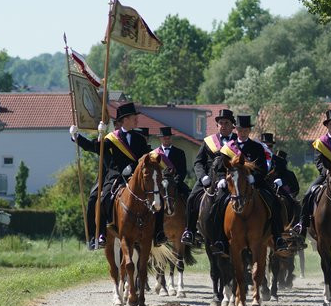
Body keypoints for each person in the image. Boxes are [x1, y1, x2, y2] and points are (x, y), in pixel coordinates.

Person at [69, 102, 165, 249]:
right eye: (134, 117)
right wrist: (76, 137)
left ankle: (158, 233)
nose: (136, 120)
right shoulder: (111, 138)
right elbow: (94, 147)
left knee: (158, 197)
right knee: (101, 199)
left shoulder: (139, 138)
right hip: (116, 177)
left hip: (136, 176)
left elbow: (145, 158)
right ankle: (100, 234)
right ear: (125, 119)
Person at [205, 115, 289, 255]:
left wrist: (253, 178)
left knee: (274, 201)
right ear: (236, 130)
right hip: (233, 185)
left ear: (249, 131)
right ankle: (220, 240)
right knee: (218, 204)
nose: (243, 132)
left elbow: (263, 168)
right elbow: (220, 168)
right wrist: (221, 179)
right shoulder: (228, 147)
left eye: (246, 130)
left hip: (255, 184)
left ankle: (278, 237)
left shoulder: (256, 147)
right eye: (240, 129)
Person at [181, 109, 236, 246]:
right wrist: (203, 177)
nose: (223, 125)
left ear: (232, 126)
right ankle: (190, 231)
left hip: (231, 178)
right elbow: (198, 162)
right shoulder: (209, 141)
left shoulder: (236, 142)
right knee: (191, 198)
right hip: (209, 178)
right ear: (217, 125)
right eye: (220, 123)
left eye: (226, 123)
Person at [155, 125, 189, 195]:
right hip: (158, 184)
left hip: (175, 183)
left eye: (169, 138)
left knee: (189, 195)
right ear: (160, 138)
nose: (167, 140)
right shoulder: (154, 153)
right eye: (165, 138)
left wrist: (174, 183)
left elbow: (182, 171)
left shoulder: (180, 153)